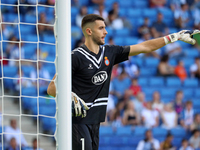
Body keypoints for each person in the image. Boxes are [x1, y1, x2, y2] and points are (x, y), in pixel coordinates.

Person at [47, 14, 199, 150]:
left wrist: (174, 37)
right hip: (77, 122)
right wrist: (69, 95)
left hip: (95, 121)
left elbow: (144, 46)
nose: (105, 32)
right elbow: (51, 89)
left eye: (105, 28)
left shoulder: (110, 52)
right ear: (89, 31)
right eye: (101, 28)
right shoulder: (75, 57)